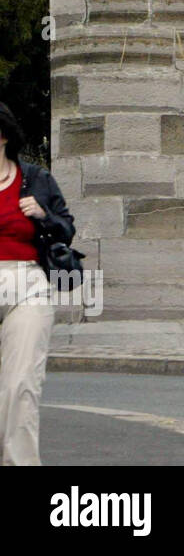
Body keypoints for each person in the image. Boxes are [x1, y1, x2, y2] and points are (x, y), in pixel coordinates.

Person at [0, 102, 74, 466]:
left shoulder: (35, 179)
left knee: (20, 385)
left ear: (3, 137)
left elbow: (67, 228)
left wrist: (43, 215)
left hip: (26, 281)